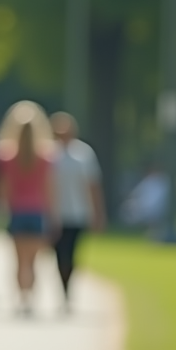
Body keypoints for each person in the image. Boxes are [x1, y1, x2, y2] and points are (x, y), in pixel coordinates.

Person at [0, 101, 57, 315]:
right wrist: (53, 216)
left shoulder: (6, 156)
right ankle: (30, 297)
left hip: (17, 211)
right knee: (33, 261)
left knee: (19, 260)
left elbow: (4, 189)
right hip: (37, 211)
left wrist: (3, 209)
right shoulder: (46, 158)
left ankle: (21, 297)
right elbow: (49, 190)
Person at [49, 112, 105, 308]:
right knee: (58, 253)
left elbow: (92, 185)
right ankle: (62, 287)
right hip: (55, 213)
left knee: (71, 253)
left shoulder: (84, 154)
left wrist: (98, 212)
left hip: (78, 212)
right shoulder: (49, 153)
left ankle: (67, 287)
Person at [121, 163, 169, 240]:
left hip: (155, 209)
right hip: (144, 207)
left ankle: (153, 232)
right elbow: (136, 193)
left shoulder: (163, 181)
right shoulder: (148, 180)